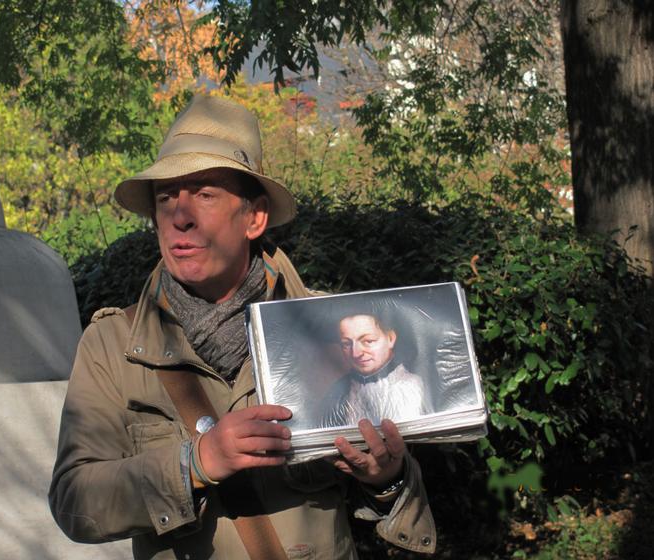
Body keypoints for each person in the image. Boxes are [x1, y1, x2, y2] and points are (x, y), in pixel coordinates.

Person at [48, 94, 436, 559]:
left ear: (254, 217)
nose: (180, 216)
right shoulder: (111, 346)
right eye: (166, 197)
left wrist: (386, 478)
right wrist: (197, 462)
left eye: (205, 194)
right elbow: (75, 502)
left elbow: (398, 495)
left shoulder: (330, 330)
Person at [321, 312, 434, 429]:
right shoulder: (337, 394)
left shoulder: (422, 385)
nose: (356, 353)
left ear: (390, 338)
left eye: (368, 341)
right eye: (346, 344)